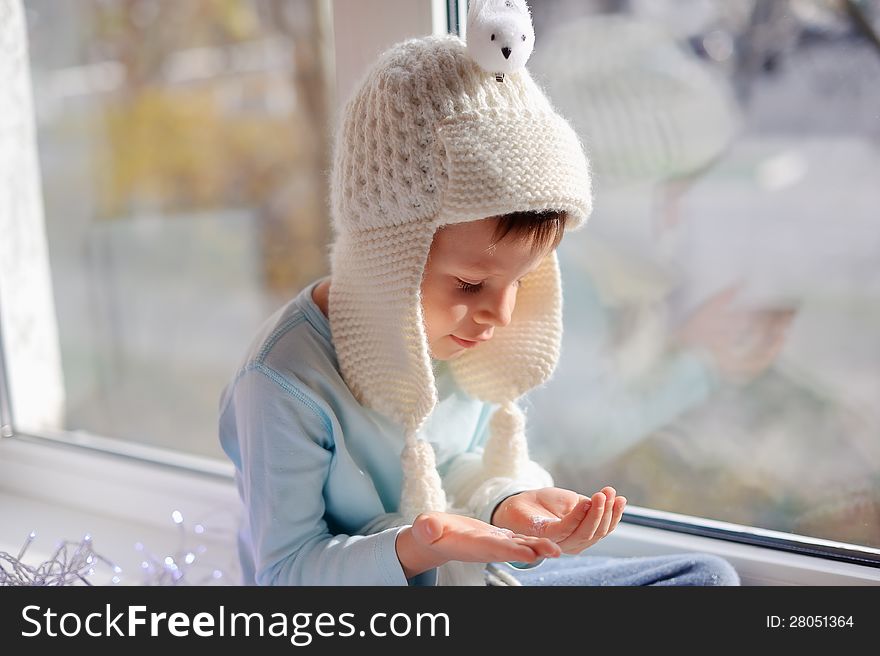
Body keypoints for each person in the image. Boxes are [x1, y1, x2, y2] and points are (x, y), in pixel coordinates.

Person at [218, 31, 739, 586]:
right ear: (383, 261)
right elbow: (285, 573)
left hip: (478, 583)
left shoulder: (461, 338)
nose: (501, 315)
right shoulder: (282, 384)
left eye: (523, 279)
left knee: (704, 577)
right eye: (470, 285)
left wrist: (508, 503)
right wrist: (418, 547)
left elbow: (460, 466)